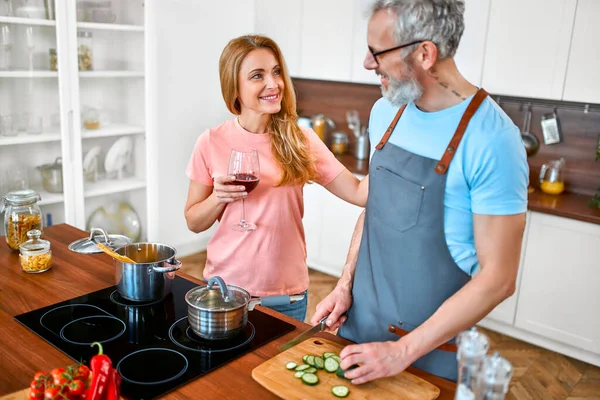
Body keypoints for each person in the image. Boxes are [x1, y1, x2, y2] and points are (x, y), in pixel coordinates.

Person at [312, 0, 528, 383]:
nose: (367, 63)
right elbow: (376, 208)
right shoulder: (386, 112)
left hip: (428, 356)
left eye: (377, 52)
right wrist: (345, 285)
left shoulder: (493, 140)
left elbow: (498, 279)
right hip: (357, 332)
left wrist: (401, 352)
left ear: (425, 53)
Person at [184, 35, 368, 322]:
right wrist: (217, 199)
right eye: (258, 75)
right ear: (234, 87)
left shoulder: (300, 140)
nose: (273, 84)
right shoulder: (210, 142)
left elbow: (359, 193)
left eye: (276, 71)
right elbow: (194, 222)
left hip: (287, 297)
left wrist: (390, 152)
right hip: (225, 293)